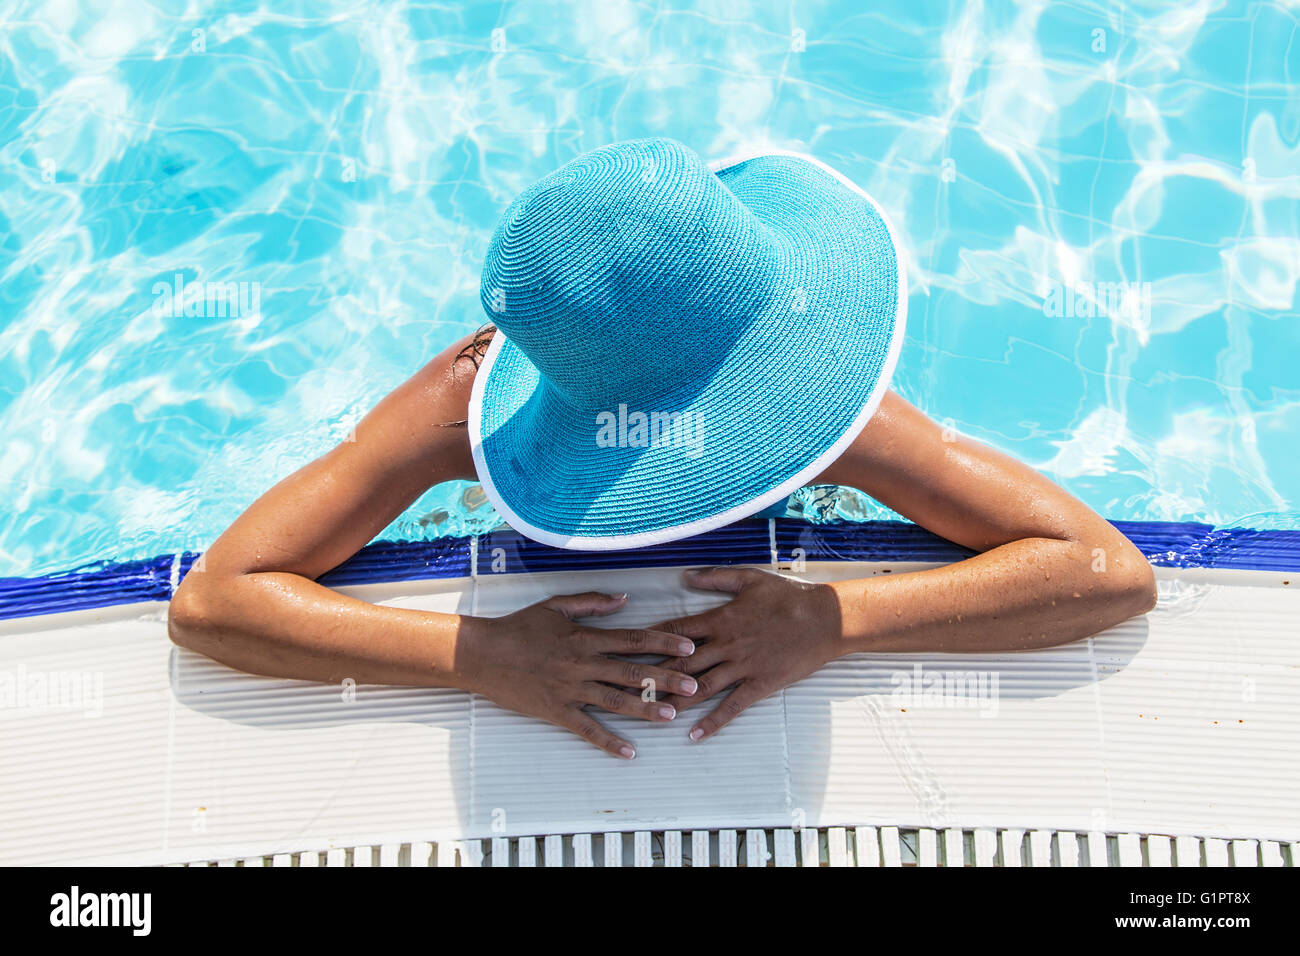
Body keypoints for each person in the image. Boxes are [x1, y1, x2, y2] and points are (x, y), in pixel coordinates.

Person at [168, 138, 1155, 759]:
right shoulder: (464, 401)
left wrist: (835, 618)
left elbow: (1103, 568)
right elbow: (218, 596)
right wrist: (479, 654)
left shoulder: (814, 405)